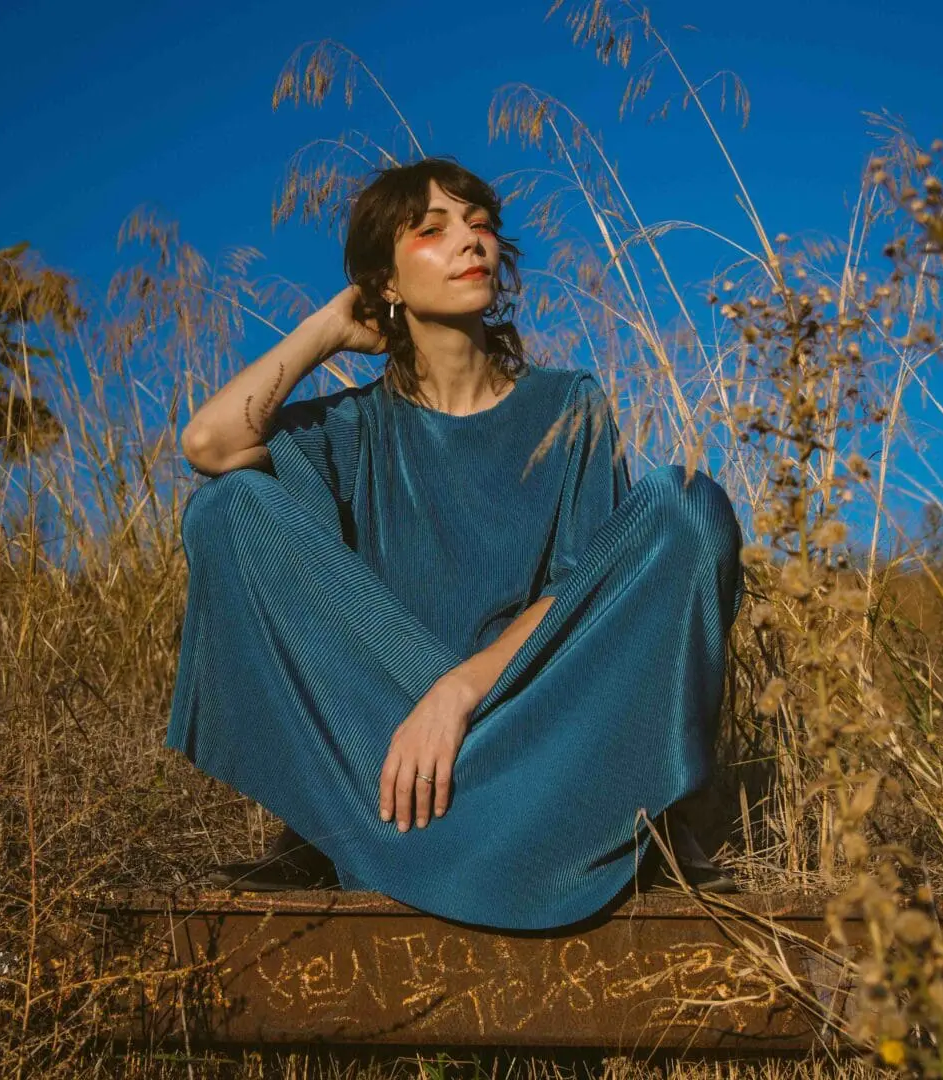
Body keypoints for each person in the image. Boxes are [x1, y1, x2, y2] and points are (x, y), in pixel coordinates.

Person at [167, 156, 745, 932]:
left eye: (479, 225)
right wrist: (331, 327)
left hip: (528, 722)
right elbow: (208, 444)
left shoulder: (568, 406)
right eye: (432, 231)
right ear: (387, 282)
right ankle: (323, 821)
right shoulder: (352, 428)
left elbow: (580, 594)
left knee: (684, 503)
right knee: (228, 505)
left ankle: (651, 812)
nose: (469, 241)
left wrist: (459, 691)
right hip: (385, 746)